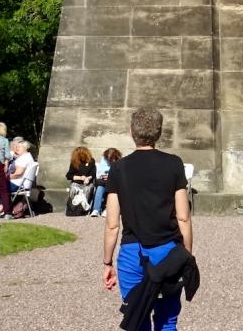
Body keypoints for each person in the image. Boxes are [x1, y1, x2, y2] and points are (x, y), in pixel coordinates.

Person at [103, 109, 195, 331]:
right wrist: (187, 256)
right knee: (167, 321)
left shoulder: (119, 168)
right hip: (168, 252)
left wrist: (106, 262)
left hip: (133, 252)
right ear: (159, 132)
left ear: (132, 131)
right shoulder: (173, 164)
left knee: (137, 319)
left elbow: (112, 224)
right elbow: (183, 217)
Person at [66, 146, 97, 216]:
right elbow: (69, 175)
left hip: (87, 183)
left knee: (87, 190)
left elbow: (93, 174)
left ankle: (82, 209)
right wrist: (80, 178)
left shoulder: (91, 161)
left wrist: (88, 178)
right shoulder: (74, 162)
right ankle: (72, 208)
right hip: (77, 182)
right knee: (73, 189)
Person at [92, 147, 122, 217]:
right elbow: (100, 173)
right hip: (104, 182)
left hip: (114, 183)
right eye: (109, 159)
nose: (110, 161)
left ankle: (107, 209)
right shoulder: (104, 160)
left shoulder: (120, 161)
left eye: (112, 159)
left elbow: (119, 173)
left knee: (112, 190)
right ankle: (96, 210)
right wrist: (105, 175)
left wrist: (109, 175)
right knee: (99, 188)